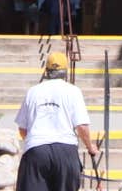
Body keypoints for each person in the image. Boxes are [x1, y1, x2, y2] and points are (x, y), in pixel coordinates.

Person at [14, 52, 99, 191]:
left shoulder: (33, 92)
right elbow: (82, 127)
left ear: (46, 71)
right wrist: (90, 147)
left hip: (36, 150)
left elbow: (22, 129)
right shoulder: (73, 91)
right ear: (65, 72)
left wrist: (33, 142)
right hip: (66, 151)